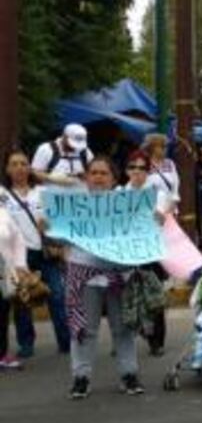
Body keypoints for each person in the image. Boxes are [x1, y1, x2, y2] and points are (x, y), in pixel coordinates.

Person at [63, 156, 165, 399]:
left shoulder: (128, 203)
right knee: (84, 330)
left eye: (103, 173)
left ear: (113, 178)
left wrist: (156, 221)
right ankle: (81, 378)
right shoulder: (73, 205)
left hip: (120, 275)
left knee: (124, 329)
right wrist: (47, 227)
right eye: (94, 172)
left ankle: (129, 374)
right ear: (87, 177)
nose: (98, 177)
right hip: (85, 275)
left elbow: (146, 231)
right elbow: (59, 238)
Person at [1, 149, 71, 357]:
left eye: (24, 163)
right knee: (22, 300)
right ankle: (26, 344)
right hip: (17, 257)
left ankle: (66, 342)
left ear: (30, 168)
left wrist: (50, 228)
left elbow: (60, 216)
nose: (19, 168)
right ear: (7, 169)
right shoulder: (2, 195)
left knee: (56, 295)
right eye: (14, 164)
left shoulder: (42, 192)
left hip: (44, 253)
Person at [122, 150, 172, 356]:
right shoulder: (119, 194)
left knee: (154, 298)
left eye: (141, 168)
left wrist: (158, 214)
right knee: (128, 296)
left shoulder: (158, 194)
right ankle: (127, 338)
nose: (136, 171)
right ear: (126, 170)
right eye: (132, 167)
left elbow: (161, 215)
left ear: (148, 171)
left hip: (150, 254)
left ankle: (156, 341)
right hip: (125, 254)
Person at [0, 205, 29, 370]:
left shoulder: (3, 213)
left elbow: (18, 240)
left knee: (2, 313)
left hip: (4, 272)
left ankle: (2, 355)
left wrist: (20, 265)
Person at [142, 133, 181, 203]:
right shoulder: (144, 164)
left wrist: (175, 196)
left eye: (165, 146)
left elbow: (176, 182)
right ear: (152, 148)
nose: (165, 149)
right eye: (161, 146)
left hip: (169, 204)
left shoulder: (170, 163)